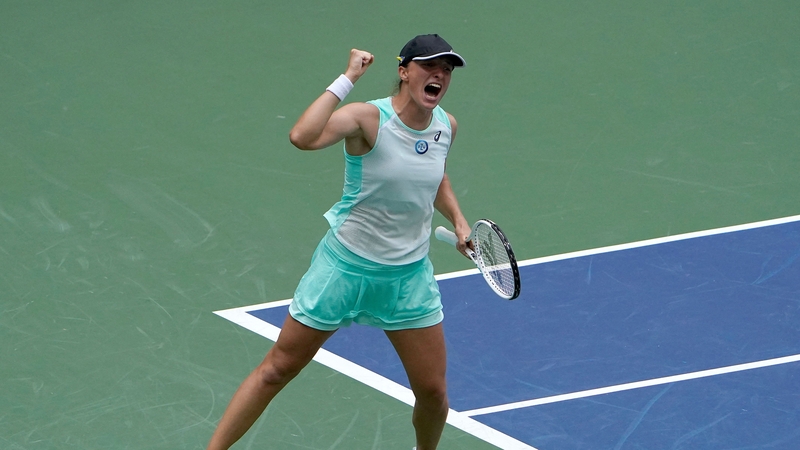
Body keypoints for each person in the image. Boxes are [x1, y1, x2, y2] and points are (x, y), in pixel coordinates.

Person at [207, 34, 471, 450]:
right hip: (344, 269)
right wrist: (347, 78)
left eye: (447, 69)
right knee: (277, 369)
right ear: (404, 72)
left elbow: (436, 176)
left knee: (434, 394)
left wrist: (459, 221)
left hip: (407, 280)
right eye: (429, 67)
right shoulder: (367, 118)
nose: (440, 74)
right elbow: (302, 137)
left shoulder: (446, 127)